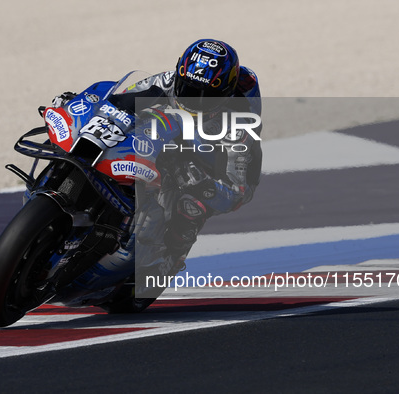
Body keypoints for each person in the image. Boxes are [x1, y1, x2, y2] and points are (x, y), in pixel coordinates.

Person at [51, 39, 262, 281]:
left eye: (207, 97)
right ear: (179, 74)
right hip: (166, 131)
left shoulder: (240, 125)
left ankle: (167, 262)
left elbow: (239, 191)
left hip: (208, 152)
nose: (196, 101)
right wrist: (79, 105)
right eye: (190, 91)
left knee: (190, 206)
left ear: (226, 94)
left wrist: (203, 183)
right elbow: (121, 98)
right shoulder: (168, 80)